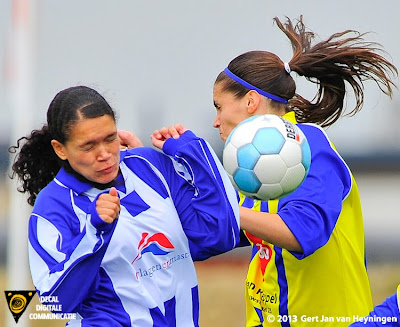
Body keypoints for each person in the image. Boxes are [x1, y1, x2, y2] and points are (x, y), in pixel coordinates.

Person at [211, 16, 398, 326]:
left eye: (218, 106)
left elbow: (304, 230)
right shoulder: (253, 168)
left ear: (250, 102)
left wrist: (230, 210)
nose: (216, 120)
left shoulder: (306, 147)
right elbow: (209, 232)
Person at [8, 85, 240, 327]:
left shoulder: (149, 165)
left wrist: (194, 155)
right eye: (89, 146)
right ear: (60, 149)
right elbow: (58, 302)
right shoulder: (51, 207)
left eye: (110, 139)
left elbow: (219, 236)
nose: (105, 154)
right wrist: (94, 232)